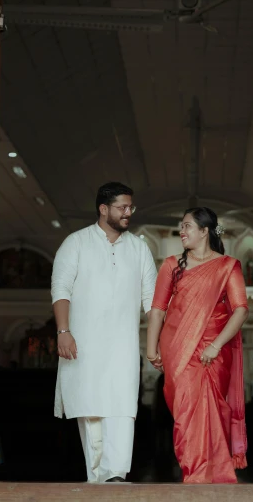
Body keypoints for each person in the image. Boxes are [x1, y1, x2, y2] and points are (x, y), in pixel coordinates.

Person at [51, 182, 157, 483]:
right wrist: (63, 331)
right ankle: (98, 480)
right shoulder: (76, 243)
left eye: (130, 207)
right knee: (91, 407)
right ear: (103, 209)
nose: (128, 213)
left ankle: (116, 476)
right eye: (122, 207)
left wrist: (157, 342)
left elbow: (151, 301)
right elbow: (61, 288)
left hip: (123, 347)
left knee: (123, 409)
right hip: (83, 345)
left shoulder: (139, 248)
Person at [146, 207, 249, 484]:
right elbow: (157, 309)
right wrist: (150, 347)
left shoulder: (228, 266)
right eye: (181, 226)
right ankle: (196, 473)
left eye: (188, 226)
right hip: (177, 347)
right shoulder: (171, 266)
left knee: (210, 408)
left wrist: (215, 345)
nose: (182, 231)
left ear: (205, 231)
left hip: (214, 349)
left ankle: (203, 477)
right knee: (186, 410)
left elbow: (240, 309)